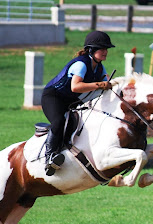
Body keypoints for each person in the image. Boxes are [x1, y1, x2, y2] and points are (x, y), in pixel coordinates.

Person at [41, 30, 115, 176]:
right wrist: (100, 85)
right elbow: (75, 87)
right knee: (58, 122)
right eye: (103, 48)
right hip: (54, 97)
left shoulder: (99, 67)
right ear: (92, 50)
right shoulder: (81, 64)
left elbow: (105, 85)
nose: (106, 51)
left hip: (72, 100)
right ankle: (49, 157)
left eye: (107, 49)